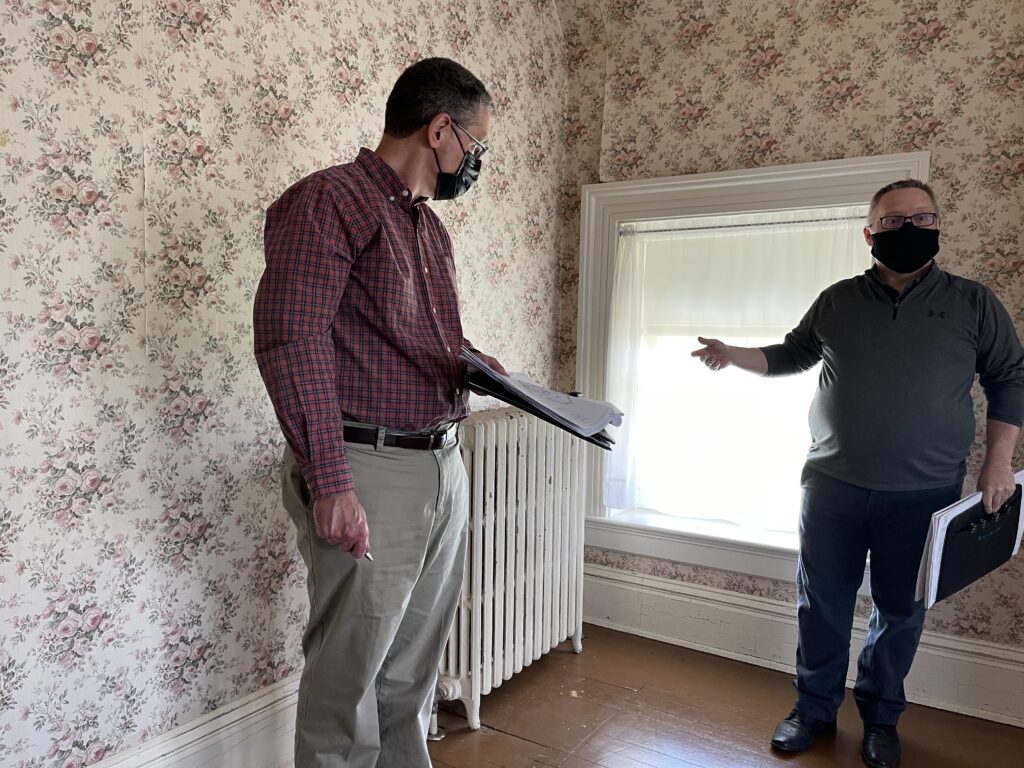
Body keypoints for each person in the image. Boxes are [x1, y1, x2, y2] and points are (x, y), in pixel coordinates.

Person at [691, 179, 1024, 768]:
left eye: (923, 218)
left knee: (900, 609)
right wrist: (733, 353)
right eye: (895, 222)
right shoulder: (838, 299)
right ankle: (813, 710)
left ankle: (880, 717)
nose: (910, 230)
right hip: (832, 487)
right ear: (869, 234)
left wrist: (998, 463)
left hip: (925, 496)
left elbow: (1010, 379)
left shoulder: (973, 303)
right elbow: (794, 354)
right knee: (821, 603)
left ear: (939, 226)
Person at [253, 57, 506, 768]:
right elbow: (290, 336)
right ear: (439, 130)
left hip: (440, 465)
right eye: (475, 146)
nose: (475, 161)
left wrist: (480, 364)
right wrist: (331, 483)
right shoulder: (329, 201)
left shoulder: (429, 232)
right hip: (365, 469)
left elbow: (415, 340)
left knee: (409, 675)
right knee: (349, 681)